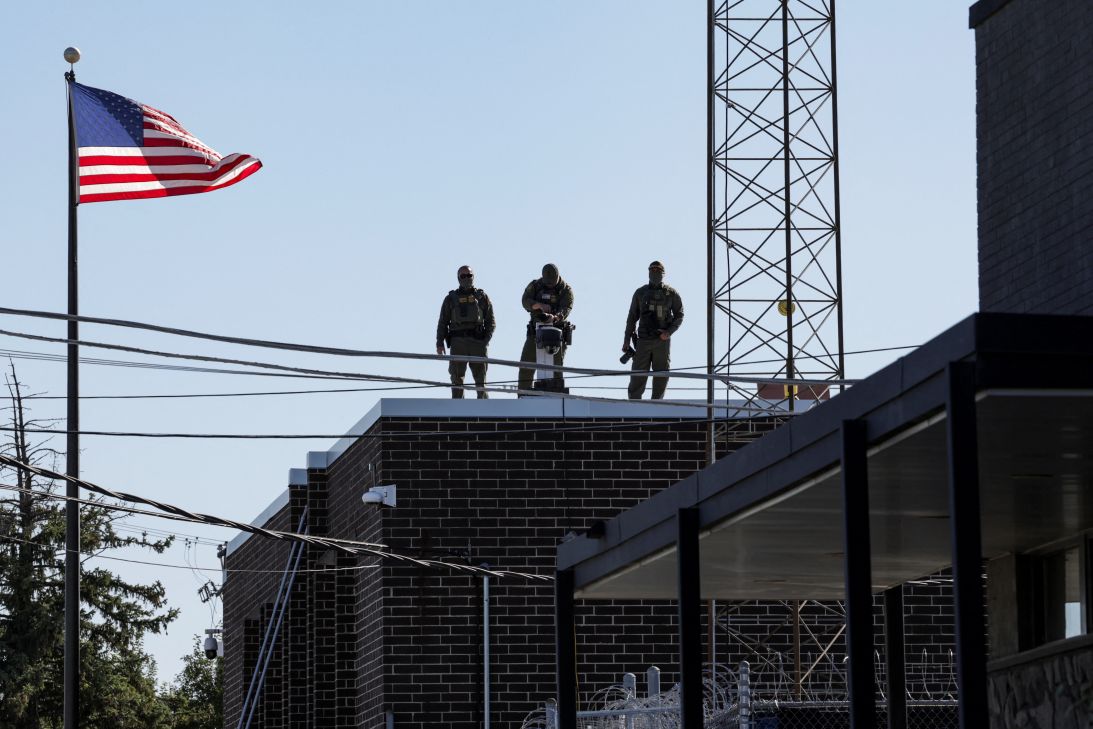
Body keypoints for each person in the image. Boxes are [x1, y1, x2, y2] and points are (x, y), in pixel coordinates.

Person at [623, 260, 684, 399]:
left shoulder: (671, 293)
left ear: (663, 273)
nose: (655, 273)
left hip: (661, 340)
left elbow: (680, 314)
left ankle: (657, 405)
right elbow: (632, 317)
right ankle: (634, 405)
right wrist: (626, 340)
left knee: (661, 375)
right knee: (638, 374)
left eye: (658, 270)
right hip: (643, 340)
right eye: (652, 270)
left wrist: (668, 332)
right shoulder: (640, 293)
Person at [436, 265, 496, 398]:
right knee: (457, 380)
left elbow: (491, 321)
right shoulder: (450, 299)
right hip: (458, 343)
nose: (466, 278)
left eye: (469, 275)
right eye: (463, 276)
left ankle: (484, 411)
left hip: (477, 342)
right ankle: (458, 410)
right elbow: (443, 322)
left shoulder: (482, 297)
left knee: (481, 381)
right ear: (458, 278)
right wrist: (439, 343)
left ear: (473, 277)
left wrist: (485, 341)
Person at [518, 263, 574, 393]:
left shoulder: (566, 290)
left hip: (556, 335)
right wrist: (537, 305)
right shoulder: (535, 286)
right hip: (535, 334)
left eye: (552, 283)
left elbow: (566, 309)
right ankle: (523, 397)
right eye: (547, 283)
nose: (549, 285)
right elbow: (524, 300)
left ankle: (557, 398)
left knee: (555, 370)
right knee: (526, 366)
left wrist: (554, 318)